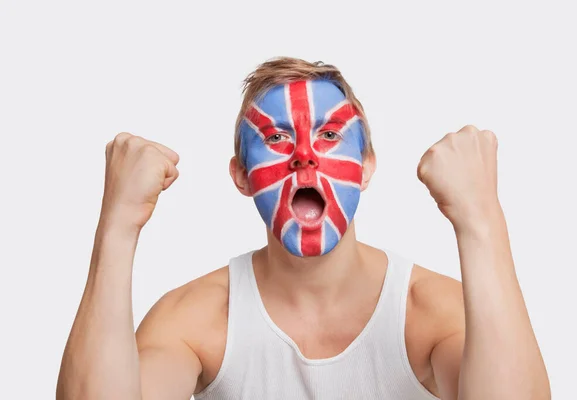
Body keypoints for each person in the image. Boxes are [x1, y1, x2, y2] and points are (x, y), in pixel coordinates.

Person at [57, 57, 550, 400]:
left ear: (365, 167)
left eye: (330, 134)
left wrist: (481, 220)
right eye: (276, 137)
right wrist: (118, 224)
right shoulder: (196, 320)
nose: (305, 157)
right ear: (242, 177)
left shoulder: (431, 312)